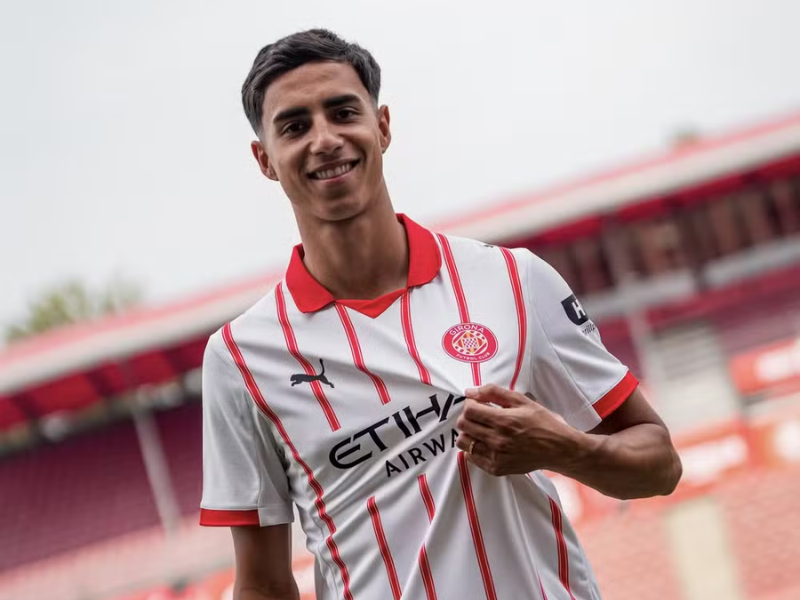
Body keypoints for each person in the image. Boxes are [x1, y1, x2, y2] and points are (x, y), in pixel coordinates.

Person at [199, 28, 682, 600]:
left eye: (342, 112)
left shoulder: (511, 279)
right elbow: (262, 586)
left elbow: (659, 463)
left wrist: (562, 447)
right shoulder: (240, 359)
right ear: (265, 160)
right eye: (295, 126)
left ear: (382, 125)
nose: (324, 139)